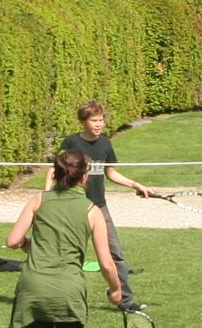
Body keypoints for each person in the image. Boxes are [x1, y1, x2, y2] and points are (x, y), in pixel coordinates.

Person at [5, 148, 125, 328]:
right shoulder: (91, 211)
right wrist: (115, 290)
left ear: (56, 174)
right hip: (68, 289)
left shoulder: (38, 200)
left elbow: (12, 240)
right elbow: (107, 262)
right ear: (84, 176)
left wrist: (31, 247)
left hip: (34, 289)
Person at [59, 99, 155, 307]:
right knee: (68, 255)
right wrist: (49, 197)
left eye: (101, 120)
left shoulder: (105, 144)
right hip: (74, 207)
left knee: (115, 255)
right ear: (83, 121)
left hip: (99, 207)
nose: (98, 124)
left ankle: (125, 301)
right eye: (94, 120)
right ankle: (62, 299)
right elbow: (56, 172)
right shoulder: (71, 143)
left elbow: (110, 173)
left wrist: (135, 184)